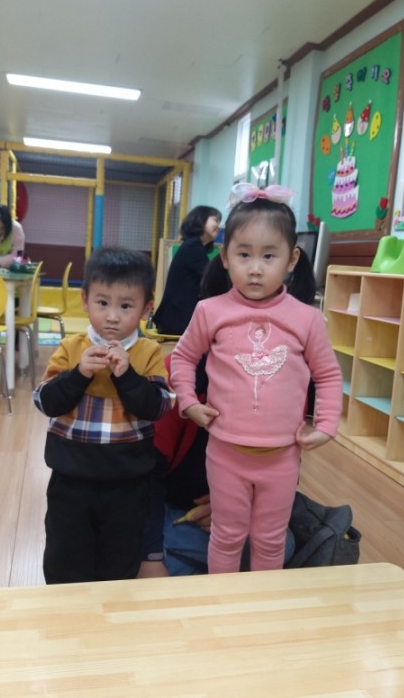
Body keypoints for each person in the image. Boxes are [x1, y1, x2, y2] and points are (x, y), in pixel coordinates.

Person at [170, 184, 342, 574]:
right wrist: (189, 402)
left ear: (292, 259)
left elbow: (329, 375)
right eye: (244, 254)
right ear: (225, 257)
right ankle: (223, 601)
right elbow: (182, 358)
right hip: (225, 453)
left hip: (282, 457)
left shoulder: (307, 319)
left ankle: (265, 602)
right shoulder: (210, 311)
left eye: (269, 255)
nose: (255, 268)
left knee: (270, 538)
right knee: (227, 535)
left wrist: (326, 424)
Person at [33, 246, 174, 584]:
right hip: (71, 479)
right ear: (85, 301)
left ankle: (111, 610)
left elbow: (158, 407)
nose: (112, 316)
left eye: (126, 306)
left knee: (119, 561)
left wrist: (127, 376)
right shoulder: (71, 348)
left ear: (147, 308)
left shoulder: (149, 352)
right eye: (102, 303)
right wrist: (78, 374)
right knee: (65, 558)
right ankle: (67, 608)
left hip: (128, 483)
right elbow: (46, 402)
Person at [152, 205, 221, 335]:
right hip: (177, 320)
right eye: (215, 220)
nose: (218, 226)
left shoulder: (192, 246)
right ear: (200, 219)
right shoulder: (193, 247)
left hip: (175, 318)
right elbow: (214, 280)